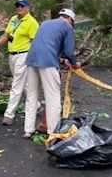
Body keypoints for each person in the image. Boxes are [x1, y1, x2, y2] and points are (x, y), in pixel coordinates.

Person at [23, 8, 80, 138]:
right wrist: (74, 63)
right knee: (53, 98)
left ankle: (28, 130)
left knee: (32, 96)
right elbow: (69, 51)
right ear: (70, 19)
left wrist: (61, 60)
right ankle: (53, 132)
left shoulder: (45, 23)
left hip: (32, 60)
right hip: (48, 63)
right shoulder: (67, 27)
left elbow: (45, 45)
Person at [0, 0, 39, 125]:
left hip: (23, 55)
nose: (19, 8)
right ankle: (37, 105)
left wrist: (33, 58)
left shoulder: (32, 23)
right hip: (12, 55)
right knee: (23, 84)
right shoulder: (13, 19)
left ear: (28, 8)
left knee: (16, 85)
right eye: (18, 6)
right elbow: (6, 35)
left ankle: (9, 114)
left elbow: (35, 41)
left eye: (22, 6)